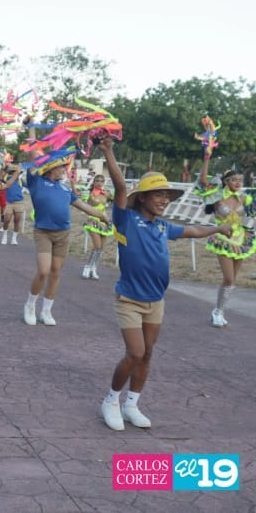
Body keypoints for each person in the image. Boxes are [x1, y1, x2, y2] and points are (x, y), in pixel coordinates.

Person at [97, 136, 231, 431]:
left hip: (156, 300)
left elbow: (194, 230)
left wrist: (219, 227)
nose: (164, 199)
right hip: (129, 299)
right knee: (134, 353)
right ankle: (111, 399)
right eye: (157, 194)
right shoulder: (127, 220)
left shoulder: (163, 226)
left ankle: (132, 403)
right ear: (142, 198)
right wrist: (107, 150)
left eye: (166, 195)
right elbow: (120, 187)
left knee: (148, 353)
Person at [21, 125, 109, 327]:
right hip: (43, 232)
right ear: (52, 167)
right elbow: (35, 152)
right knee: (43, 270)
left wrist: (102, 216)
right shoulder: (36, 181)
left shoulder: (64, 189)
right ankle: (30, 305)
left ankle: (46, 310)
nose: (64, 169)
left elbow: (84, 206)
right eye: (62, 167)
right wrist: (32, 128)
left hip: (63, 234)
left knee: (55, 272)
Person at [197, 159, 256, 327]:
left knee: (232, 281)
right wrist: (207, 158)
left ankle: (219, 310)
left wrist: (249, 221)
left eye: (240, 180)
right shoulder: (216, 196)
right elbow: (202, 182)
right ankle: (217, 311)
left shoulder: (245, 198)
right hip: (223, 239)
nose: (238, 183)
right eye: (234, 180)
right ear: (226, 181)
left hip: (241, 240)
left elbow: (251, 214)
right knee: (229, 279)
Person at [82, 174, 114, 279]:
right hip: (93, 221)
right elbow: (84, 203)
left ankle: (93, 268)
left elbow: (118, 198)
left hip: (104, 222)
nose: (99, 183)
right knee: (97, 245)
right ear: (94, 182)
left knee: (101, 248)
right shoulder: (90, 194)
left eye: (101, 181)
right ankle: (87, 267)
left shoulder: (106, 194)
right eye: (97, 181)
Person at [1, 163, 26, 245]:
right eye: (12, 172)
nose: (14, 174)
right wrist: (3, 168)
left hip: (19, 202)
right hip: (9, 202)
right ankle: (4, 235)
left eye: (15, 172)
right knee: (7, 220)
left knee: (17, 220)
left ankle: (14, 238)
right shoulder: (7, 179)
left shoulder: (20, 181)